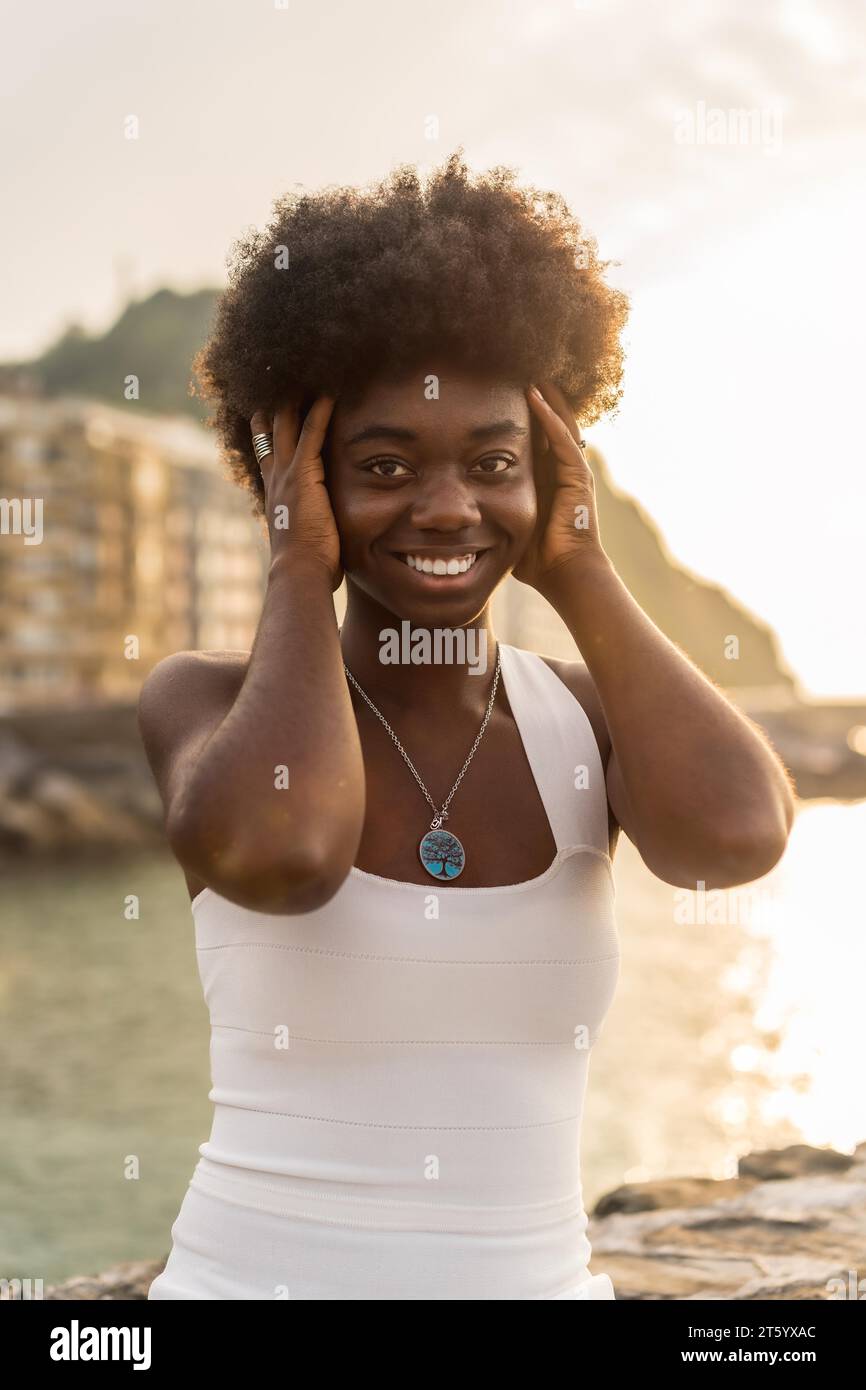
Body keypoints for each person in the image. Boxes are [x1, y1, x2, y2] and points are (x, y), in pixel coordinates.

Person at [140, 153, 795, 1300]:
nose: (446, 506)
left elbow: (734, 836)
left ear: (546, 468)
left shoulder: (582, 721)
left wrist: (579, 565)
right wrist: (296, 568)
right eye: (382, 465)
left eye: (492, 464)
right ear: (295, 480)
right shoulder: (200, 703)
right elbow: (284, 855)